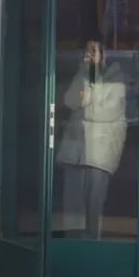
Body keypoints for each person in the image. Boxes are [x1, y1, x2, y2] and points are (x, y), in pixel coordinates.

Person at [55, 36, 127, 240]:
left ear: (104, 54)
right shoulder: (83, 73)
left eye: (94, 51)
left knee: (94, 203)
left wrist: (86, 101)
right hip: (76, 149)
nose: (89, 56)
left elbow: (107, 113)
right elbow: (69, 100)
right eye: (87, 51)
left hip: (99, 151)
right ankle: (74, 245)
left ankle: (92, 244)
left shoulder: (116, 79)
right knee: (73, 205)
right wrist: (83, 94)